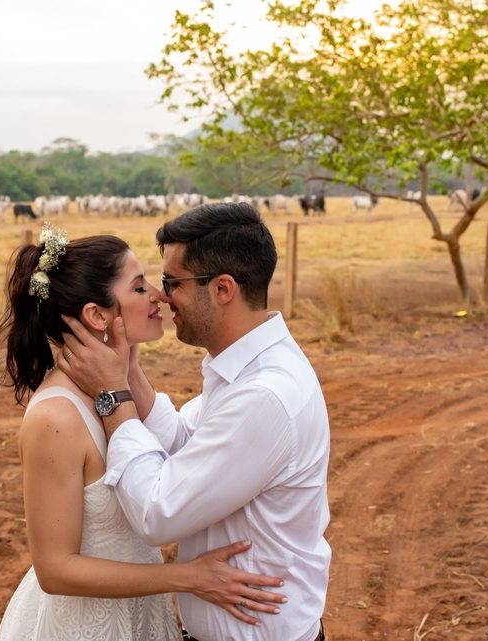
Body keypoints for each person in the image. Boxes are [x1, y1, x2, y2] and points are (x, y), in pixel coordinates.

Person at [0, 223, 287, 641]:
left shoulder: (118, 396)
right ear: (97, 315)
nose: (159, 296)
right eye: (139, 287)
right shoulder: (56, 418)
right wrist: (189, 577)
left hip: (141, 618)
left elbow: (180, 457)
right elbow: (54, 570)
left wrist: (125, 370)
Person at [57, 202, 332, 641]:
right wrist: (129, 370)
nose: (162, 296)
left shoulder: (264, 394)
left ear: (222, 289)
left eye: (172, 282)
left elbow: (158, 512)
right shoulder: (244, 368)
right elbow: (186, 442)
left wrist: (113, 396)